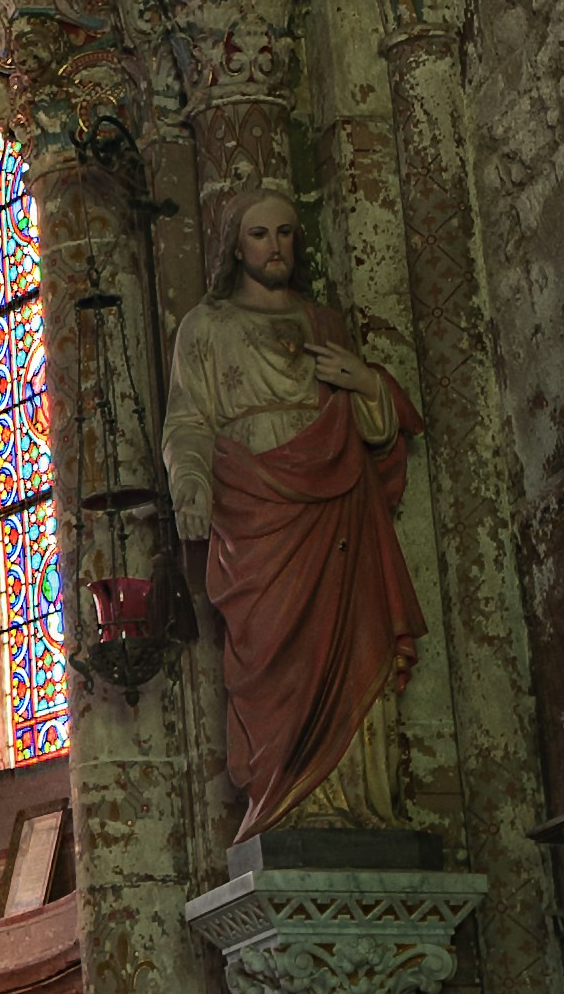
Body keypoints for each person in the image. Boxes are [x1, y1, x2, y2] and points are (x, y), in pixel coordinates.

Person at [160, 187, 423, 837]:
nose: (274, 246)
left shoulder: (324, 324)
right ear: (235, 245)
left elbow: (380, 430)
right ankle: (287, 804)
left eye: (284, 234)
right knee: (273, 653)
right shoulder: (207, 327)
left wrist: (366, 383)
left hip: (338, 514)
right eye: (259, 234)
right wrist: (190, 484)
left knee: (353, 641)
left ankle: (364, 806)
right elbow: (188, 421)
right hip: (257, 519)